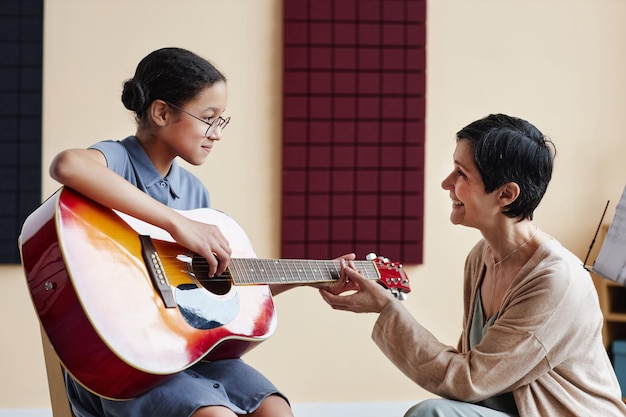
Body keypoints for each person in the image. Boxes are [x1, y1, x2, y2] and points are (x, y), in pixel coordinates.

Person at [49, 47, 326, 417]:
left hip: (191, 354)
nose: (217, 133)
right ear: (161, 112)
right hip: (126, 360)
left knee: (275, 410)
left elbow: (217, 296)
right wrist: (177, 223)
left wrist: (314, 276)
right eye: (208, 118)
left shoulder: (194, 193)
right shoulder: (118, 161)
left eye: (222, 120)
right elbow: (68, 164)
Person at [320, 114, 626, 416]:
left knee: (432, 415)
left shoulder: (555, 279)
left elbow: (468, 380)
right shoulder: (482, 256)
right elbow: (473, 376)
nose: (446, 183)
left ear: (506, 194)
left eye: (461, 173)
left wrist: (388, 309)